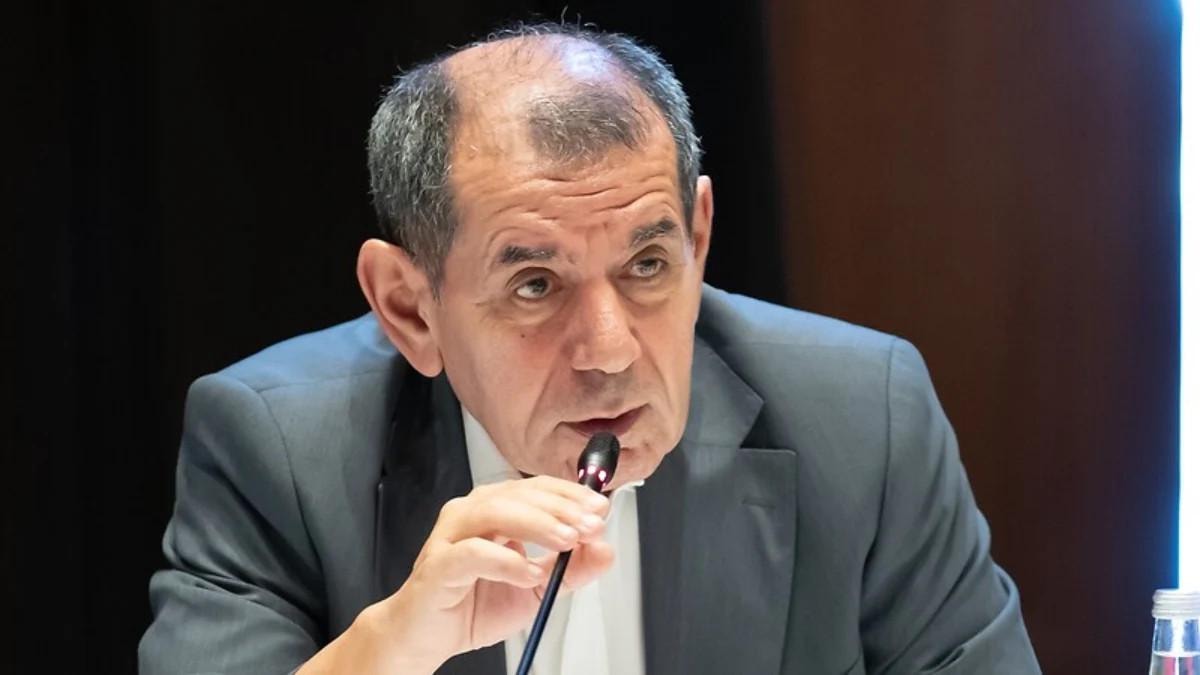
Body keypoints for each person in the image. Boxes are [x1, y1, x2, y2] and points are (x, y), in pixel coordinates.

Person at [138, 22, 1040, 675]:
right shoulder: (277, 450)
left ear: (698, 237)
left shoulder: (864, 419)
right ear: (410, 309)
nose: (609, 351)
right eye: (535, 284)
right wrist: (391, 648)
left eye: (648, 264)